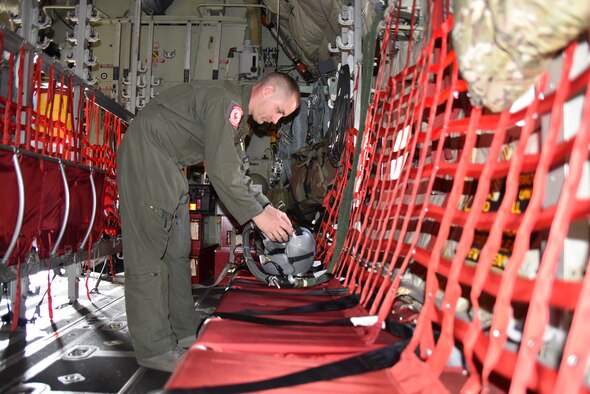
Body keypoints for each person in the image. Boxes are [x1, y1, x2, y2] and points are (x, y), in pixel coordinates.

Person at [116, 72, 300, 372]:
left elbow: (237, 171)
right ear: (267, 91)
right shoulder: (224, 103)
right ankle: (155, 348)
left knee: (177, 251)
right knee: (148, 255)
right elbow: (222, 171)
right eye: (279, 110)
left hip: (170, 165)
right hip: (148, 155)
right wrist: (258, 215)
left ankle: (186, 330)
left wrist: (268, 208)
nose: (275, 121)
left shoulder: (238, 119)